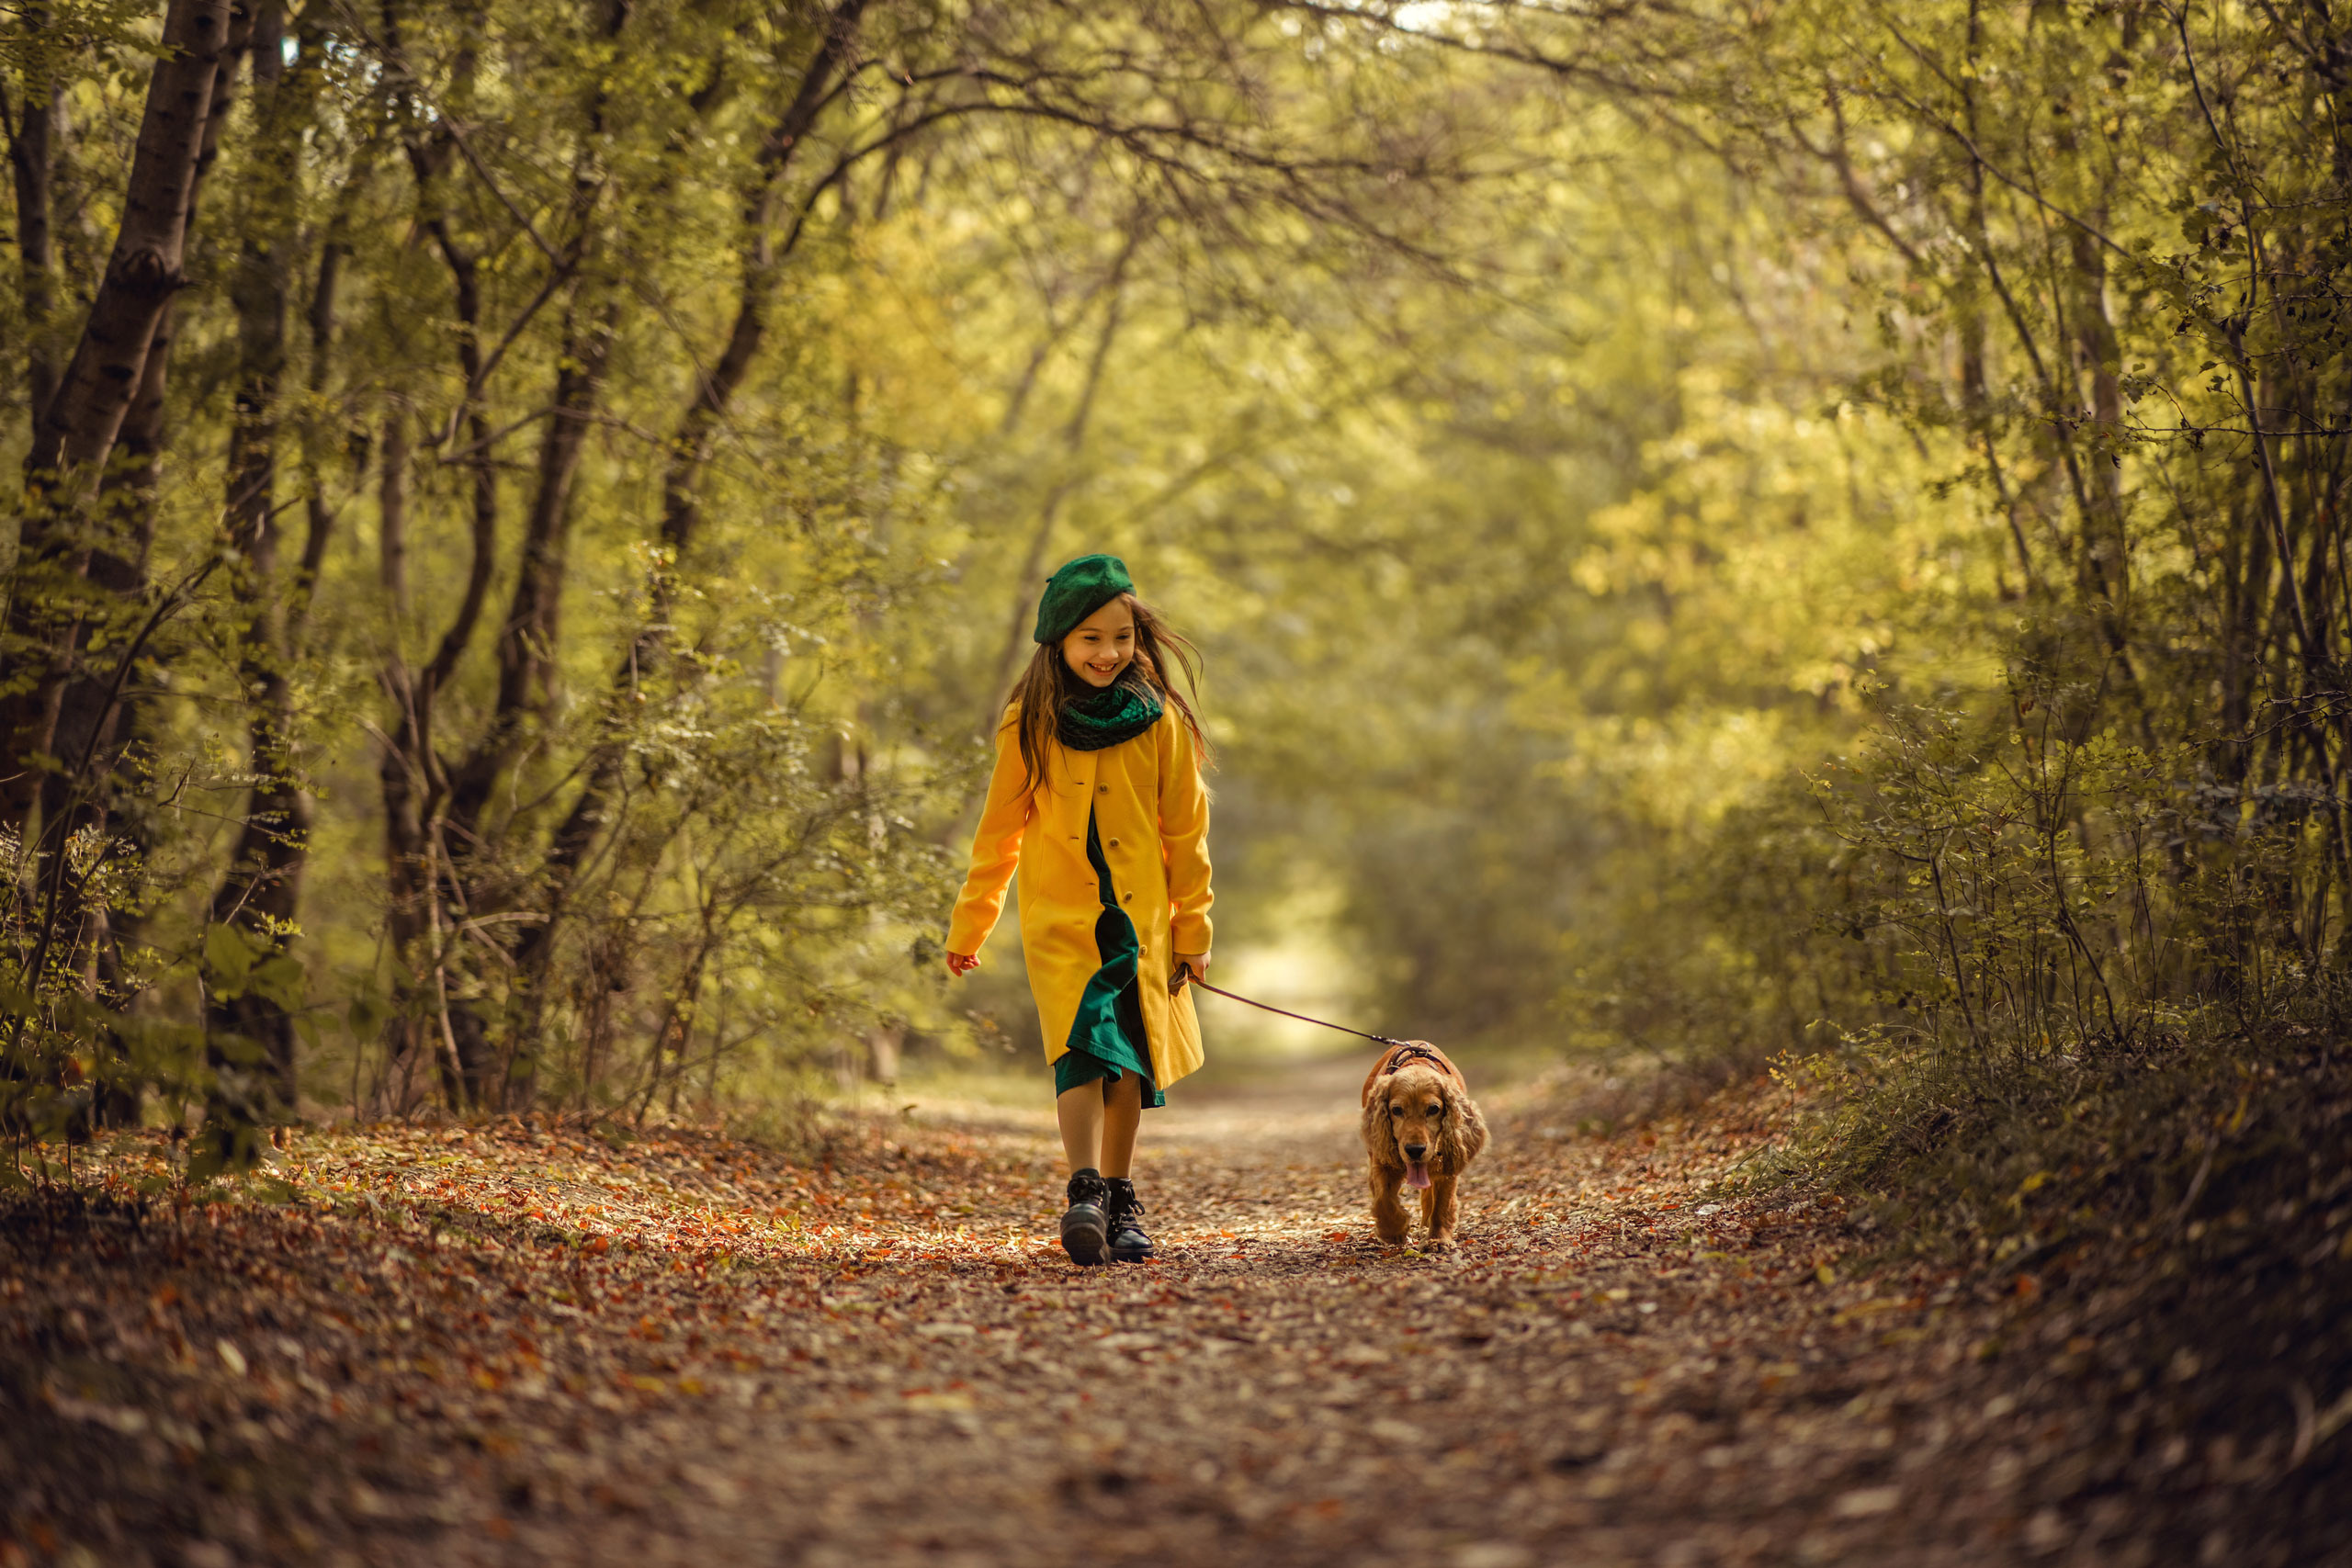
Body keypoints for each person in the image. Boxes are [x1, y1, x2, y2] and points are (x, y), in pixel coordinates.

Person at [944, 554, 1214, 1266]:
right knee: (1080, 1051)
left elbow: (1186, 834)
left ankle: (1121, 1198)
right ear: (1059, 640)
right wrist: (972, 922)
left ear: (1137, 638)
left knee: (1130, 1060)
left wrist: (1195, 930)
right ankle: (1083, 1190)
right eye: (1090, 638)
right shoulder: (1028, 721)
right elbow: (999, 832)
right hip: (1062, 919)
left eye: (1120, 637)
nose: (1108, 652)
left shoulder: (1160, 723)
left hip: (1140, 921)